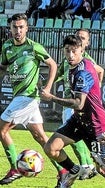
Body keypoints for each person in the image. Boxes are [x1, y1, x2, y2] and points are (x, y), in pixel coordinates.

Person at [41, 34, 105, 188]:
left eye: (74, 51)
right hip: (79, 121)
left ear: (82, 50)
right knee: (51, 148)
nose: (71, 55)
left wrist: (52, 97)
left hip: (97, 125)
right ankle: (74, 170)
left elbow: (79, 104)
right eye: (67, 50)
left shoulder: (82, 72)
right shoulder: (75, 66)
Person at [0, 13, 57, 185]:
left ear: (26, 28)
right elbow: (2, 67)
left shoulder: (34, 47)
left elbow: (53, 64)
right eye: (15, 27)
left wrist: (47, 87)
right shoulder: (7, 46)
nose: (18, 30)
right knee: (40, 136)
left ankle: (15, 169)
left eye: (21, 27)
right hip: (20, 96)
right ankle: (64, 169)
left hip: (29, 96)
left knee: (2, 129)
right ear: (10, 28)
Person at [54, 28, 103, 186]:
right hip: (69, 102)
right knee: (71, 138)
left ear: (86, 43)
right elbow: (58, 72)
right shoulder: (68, 59)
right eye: (78, 37)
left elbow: (100, 70)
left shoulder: (86, 60)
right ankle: (85, 165)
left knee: (75, 138)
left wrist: (97, 86)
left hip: (78, 104)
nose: (79, 39)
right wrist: (48, 85)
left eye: (83, 38)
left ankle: (85, 165)